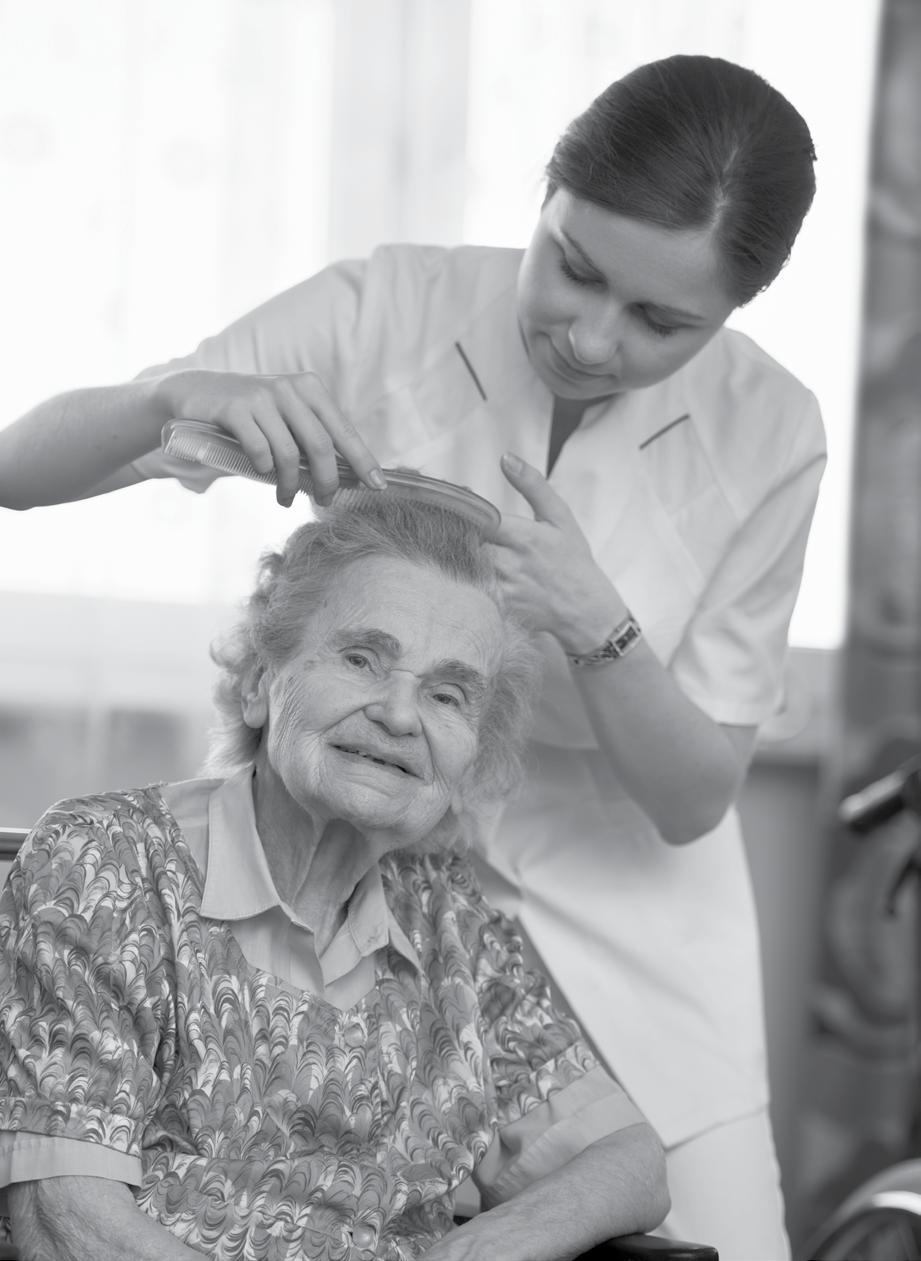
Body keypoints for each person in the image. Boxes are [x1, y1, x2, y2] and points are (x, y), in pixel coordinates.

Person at [0, 53, 826, 1259]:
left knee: (722, 1236)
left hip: (613, 914)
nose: (592, 336)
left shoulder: (774, 430)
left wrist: (597, 623)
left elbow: (696, 795)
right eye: (575, 267)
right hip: (333, 865)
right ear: (546, 194)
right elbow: (16, 472)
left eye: (661, 322)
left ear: (737, 310)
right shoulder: (386, 308)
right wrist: (174, 399)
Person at [0, 494, 668, 1261]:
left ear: (472, 755)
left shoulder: (448, 915)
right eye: (361, 659)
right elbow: (69, 1223)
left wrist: (481, 1249)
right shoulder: (105, 863)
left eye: (447, 695)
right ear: (259, 681)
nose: (400, 714)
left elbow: (629, 1159)